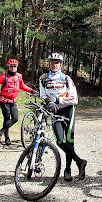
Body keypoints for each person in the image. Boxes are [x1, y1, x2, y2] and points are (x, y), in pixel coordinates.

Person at [39, 53, 86, 182]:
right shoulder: (43, 78)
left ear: (61, 64)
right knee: (60, 141)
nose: (55, 65)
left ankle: (68, 170)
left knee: (69, 141)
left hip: (68, 111)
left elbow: (74, 99)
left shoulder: (66, 79)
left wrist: (57, 100)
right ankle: (80, 161)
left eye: (57, 62)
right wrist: (49, 102)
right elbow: (43, 95)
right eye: (52, 62)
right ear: (49, 63)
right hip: (54, 112)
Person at [0, 58, 36, 146]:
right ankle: (7, 139)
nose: (13, 68)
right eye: (11, 66)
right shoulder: (4, 76)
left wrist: (31, 90)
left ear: (17, 66)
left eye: (15, 66)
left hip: (13, 100)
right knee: (7, 118)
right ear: (8, 66)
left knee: (15, 118)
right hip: (4, 100)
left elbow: (22, 86)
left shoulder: (19, 76)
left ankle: (0, 133)